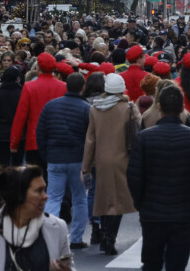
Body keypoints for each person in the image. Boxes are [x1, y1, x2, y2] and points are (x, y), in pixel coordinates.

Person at [126, 84, 190, 271]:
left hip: (152, 210)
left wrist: (141, 203)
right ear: (182, 108)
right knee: (177, 263)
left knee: (151, 262)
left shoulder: (144, 138)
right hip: (183, 211)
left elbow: (134, 175)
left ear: (159, 107)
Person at [0, 166, 72, 271]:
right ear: (18, 196)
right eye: (39, 191)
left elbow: (70, 267)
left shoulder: (58, 227)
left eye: (45, 190)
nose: (45, 196)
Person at [81, 73, 140, 255]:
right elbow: (139, 131)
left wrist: (86, 166)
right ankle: (109, 238)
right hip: (123, 159)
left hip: (101, 159)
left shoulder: (95, 109)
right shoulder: (129, 108)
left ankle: (102, 233)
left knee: (103, 199)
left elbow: (90, 139)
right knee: (118, 202)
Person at [35, 73, 91, 249]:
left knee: (53, 197)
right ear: (82, 87)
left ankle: (49, 238)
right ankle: (76, 238)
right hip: (78, 159)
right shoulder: (86, 108)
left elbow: (40, 132)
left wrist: (46, 154)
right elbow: (90, 137)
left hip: (55, 157)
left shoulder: (51, 106)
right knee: (80, 198)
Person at [10, 53, 67, 172]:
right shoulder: (64, 87)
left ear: (38, 68)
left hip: (34, 140)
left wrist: (14, 142)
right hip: (58, 140)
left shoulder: (29, 87)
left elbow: (21, 116)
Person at [0, 67, 24, 168]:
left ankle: (4, 183)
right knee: (18, 164)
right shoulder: (22, 95)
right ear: (17, 79)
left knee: (3, 164)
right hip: (19, 135)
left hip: (1, 134)